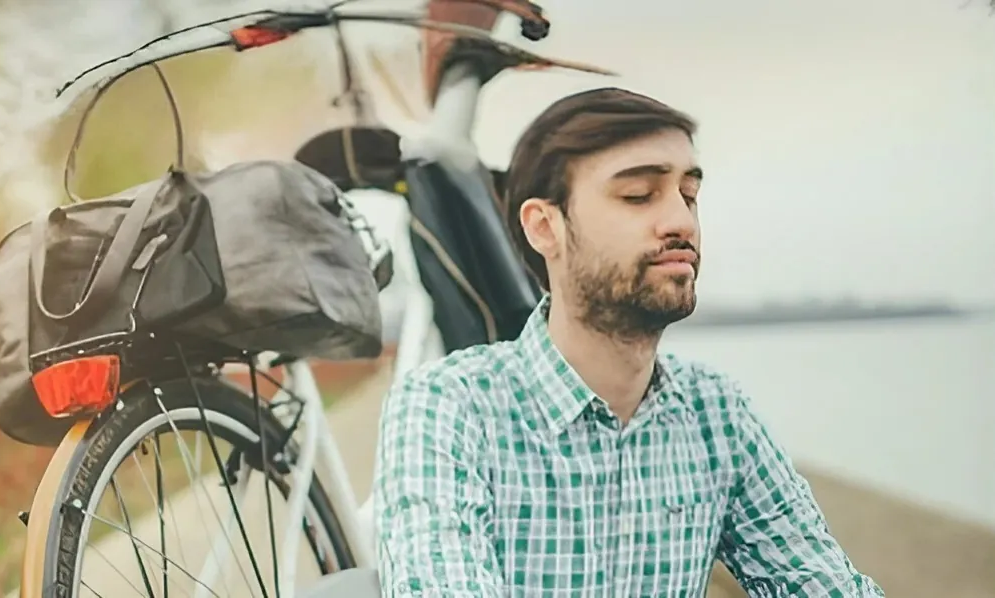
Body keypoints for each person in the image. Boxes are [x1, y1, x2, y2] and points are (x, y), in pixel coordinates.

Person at [371, 87, 884, 597]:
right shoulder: (448, 406)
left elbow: (824, 584)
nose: (682, 221)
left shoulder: (717, 415)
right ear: (545, 228)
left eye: (690, 195)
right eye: (638, 194)